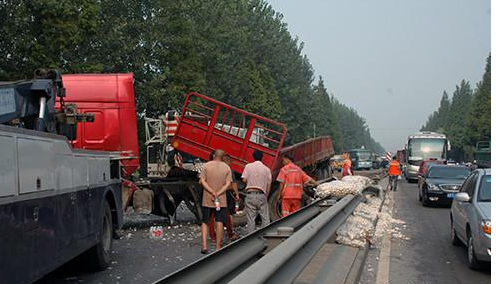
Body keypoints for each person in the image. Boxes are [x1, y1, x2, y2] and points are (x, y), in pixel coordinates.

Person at [199, 149, 232, 253]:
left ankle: (204, 246)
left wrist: (211, 191)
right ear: (223, 157)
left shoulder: (207, 166)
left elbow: (202, 181)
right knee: (219, 221)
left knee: (205, 222)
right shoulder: (227, 168)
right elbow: (228, 184)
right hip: (221, 199)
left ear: (214, 156)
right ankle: (218, 246)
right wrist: (218, 192)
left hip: (207, 198)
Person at [208, 154, 240, 241]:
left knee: (212, 215)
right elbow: (232, 184)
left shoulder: (211, 169)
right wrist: (236, 194)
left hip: (213, 194)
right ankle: (230, 234)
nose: (231, 163)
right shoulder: (228, 170)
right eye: (230, 161)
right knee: (226, 214)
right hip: (223, 195)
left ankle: (213, 236)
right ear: (226, 161)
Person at [241, 150, 272, 233]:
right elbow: (269, 185)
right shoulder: (267, 169)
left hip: (250, 194)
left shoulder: (248, 166)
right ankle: (267, 235)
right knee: (265, 217)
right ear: (262, 157)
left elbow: (244, 180)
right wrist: (266, 196)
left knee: (251, 218)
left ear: (253, 157)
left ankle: (251, 239)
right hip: (261, 194)